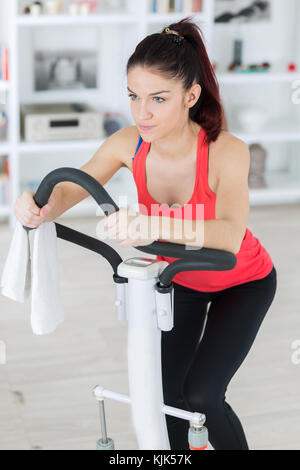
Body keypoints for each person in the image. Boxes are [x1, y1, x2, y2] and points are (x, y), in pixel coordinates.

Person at [14, 17, 277, 450]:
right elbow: (74, 185)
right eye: (134, 97)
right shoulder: (128, 143)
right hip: (180, 282)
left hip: (243, 283)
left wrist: (152, 223)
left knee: (201, 396)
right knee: (167, 401)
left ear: (191, 96)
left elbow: (229, 235)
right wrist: (38, 203)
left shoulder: (227, 151)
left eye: (158, 98)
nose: (142, 112)